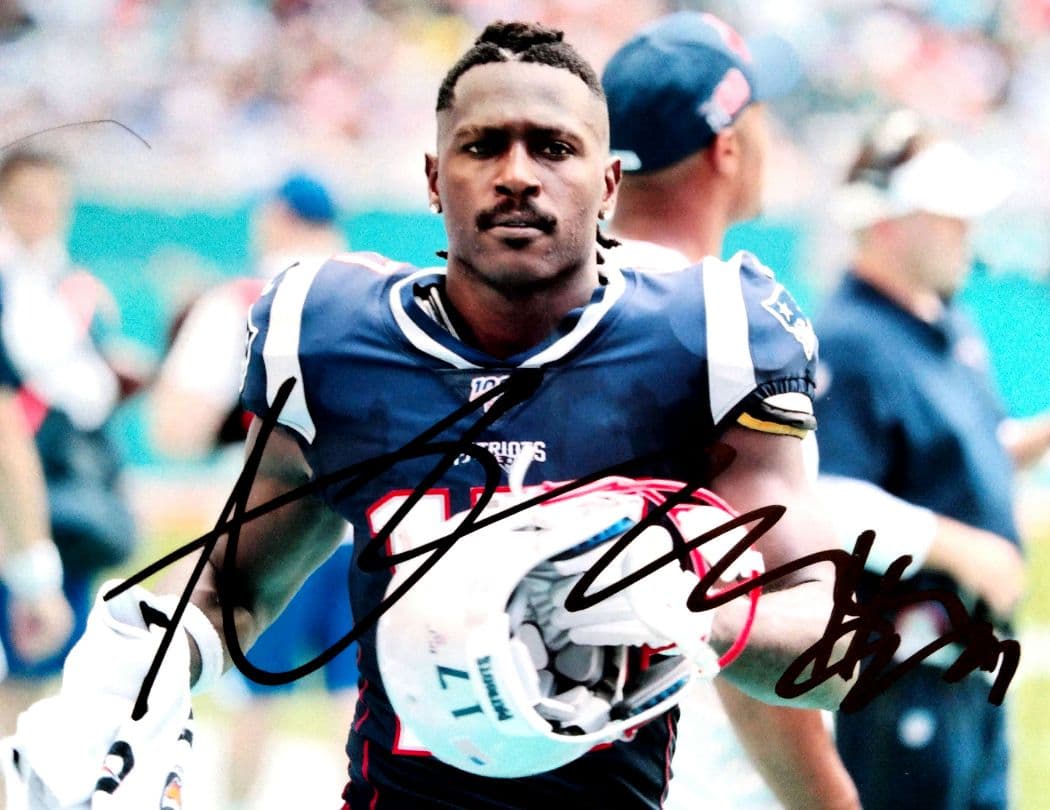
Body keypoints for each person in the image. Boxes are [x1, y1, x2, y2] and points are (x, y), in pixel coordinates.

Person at [7, 22, 857, 809]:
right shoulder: (334, 338)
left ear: (607, 182)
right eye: (482, 145)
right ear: (432, 177)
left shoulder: (704, 337)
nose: (517, 173)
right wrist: (143, 670)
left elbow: (837, 641)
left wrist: (702, 617)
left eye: (553, 146)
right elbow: (236, 585)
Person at [600, 13, 861, 809]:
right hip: (680, 769)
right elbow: (787, 626)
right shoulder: (720, 324)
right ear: (728, 146)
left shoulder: (534, 303)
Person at [815, 109, 1050, 810]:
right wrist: (962, 549)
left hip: (967, 665)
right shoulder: (849, 340)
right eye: (945, 214)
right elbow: (829, 498)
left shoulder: (944, 324)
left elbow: (961, 462)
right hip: (900, 668)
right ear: (886, 222)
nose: (966, 229)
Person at [147, 171, 356, 810]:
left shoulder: (240, 301)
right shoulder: (376, 298)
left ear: (274, 216)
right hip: (362, 527)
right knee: (356, 709)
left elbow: (174, 431)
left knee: (254, 702)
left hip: (264, 525)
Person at [0, 150, 139, 805]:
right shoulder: (12, 284)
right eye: (28, 198)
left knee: (45, 684)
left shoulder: (73, 290)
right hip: (22, 511)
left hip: (61, 507)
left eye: (53, 199)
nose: (43, 212)